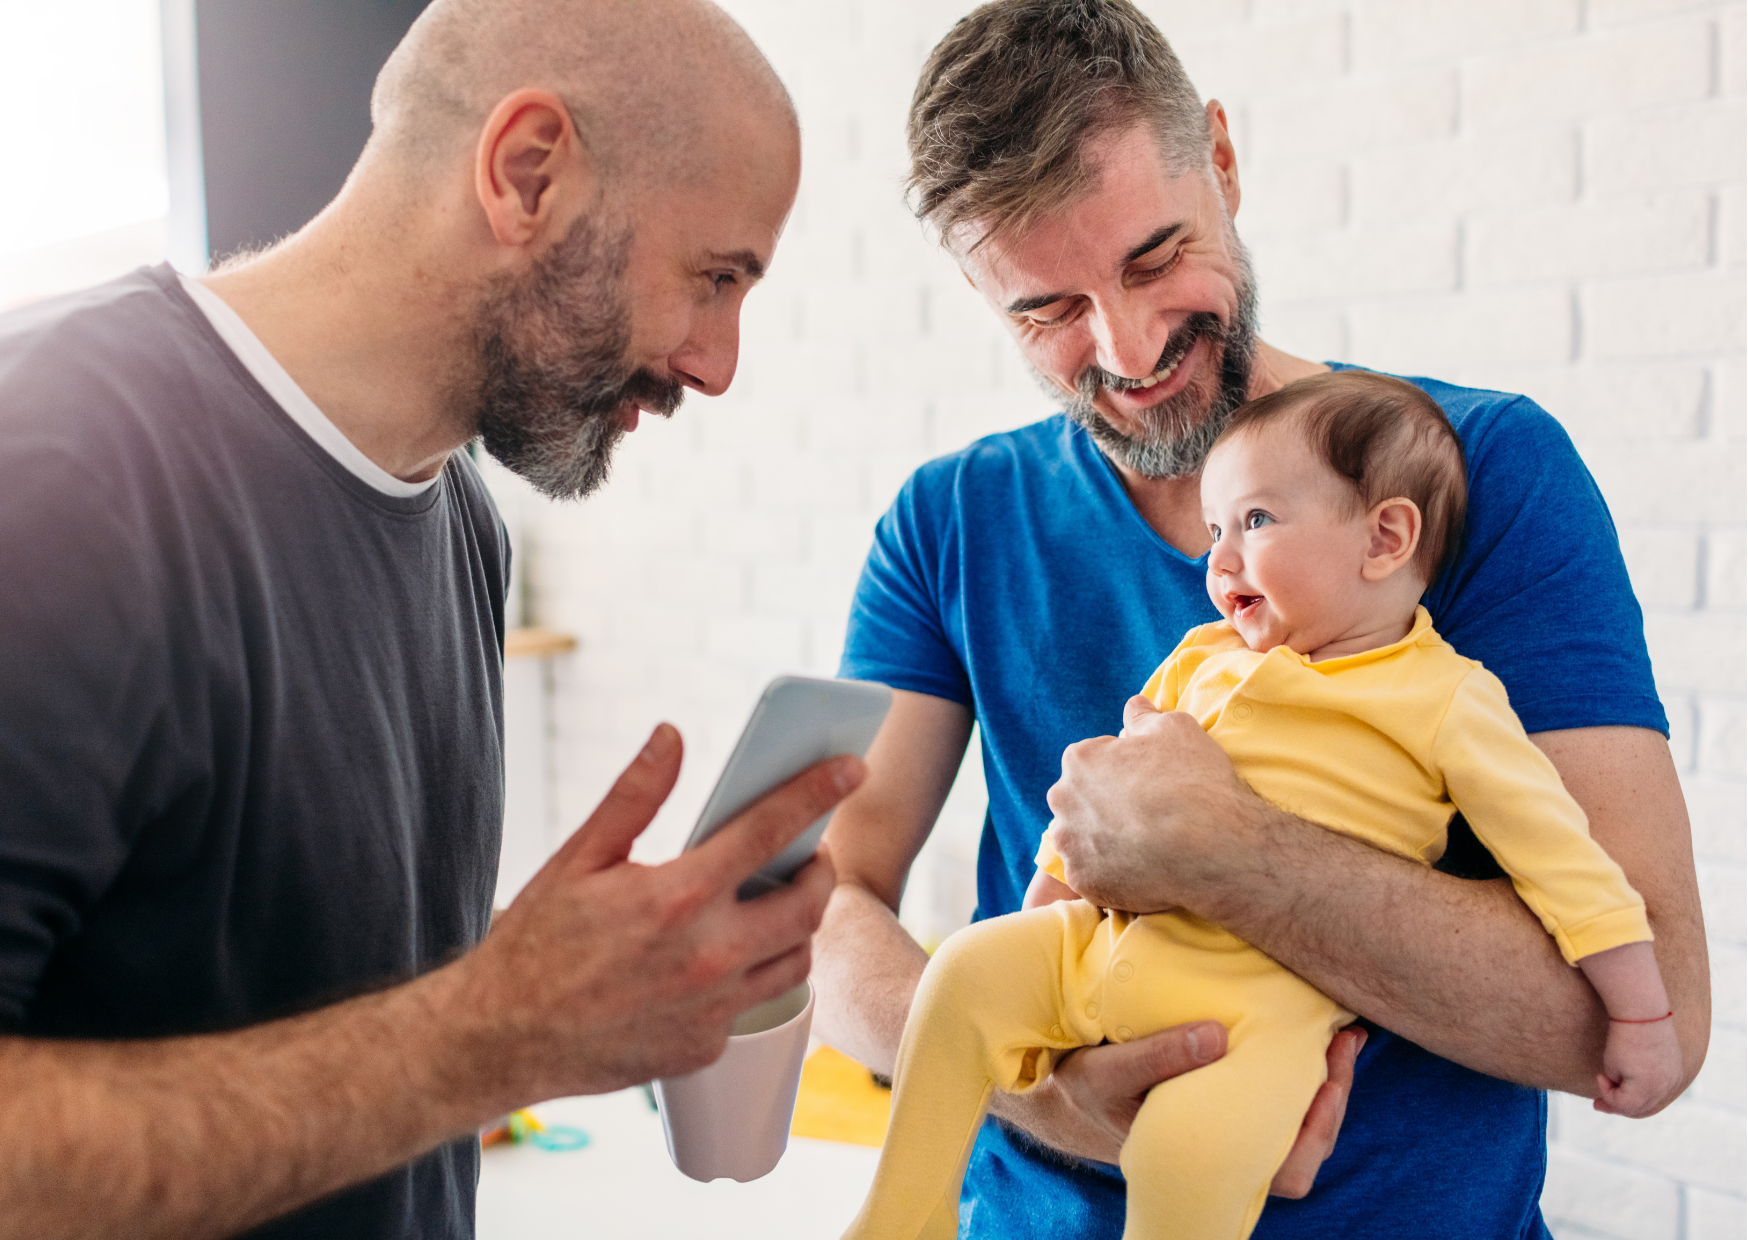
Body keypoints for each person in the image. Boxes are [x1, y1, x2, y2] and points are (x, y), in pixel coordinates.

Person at [812, 2, 1711, 1237]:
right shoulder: (949, 519)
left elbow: (1645, 1015)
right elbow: (823, 902)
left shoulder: (1472, 478)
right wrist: (1042, 1095)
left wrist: (1231, 854)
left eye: (1152, 259)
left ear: (1222, 163)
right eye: (1046, 310)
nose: (1126, 349)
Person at [0, 3, 864, 1238]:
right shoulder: (52, 460)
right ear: (528, 172)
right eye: (713, 279)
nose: (716, 364)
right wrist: (499, 1030)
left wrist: (582, 983)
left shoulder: (462, 527)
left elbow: (325, 1018)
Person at [841, 371, 1684, 1240]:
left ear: (1384, 538)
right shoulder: (1200, 657)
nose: (1218, 561)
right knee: (962, 974)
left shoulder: (1449, 701)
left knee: (1189, 1155)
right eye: (1216, 529)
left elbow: (1566, 866)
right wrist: (1045, 917)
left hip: (1253, 1018)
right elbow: (1098, 799)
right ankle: (901, 1218)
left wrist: (1644, 1016)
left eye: (1255, 521)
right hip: (1098, 950)